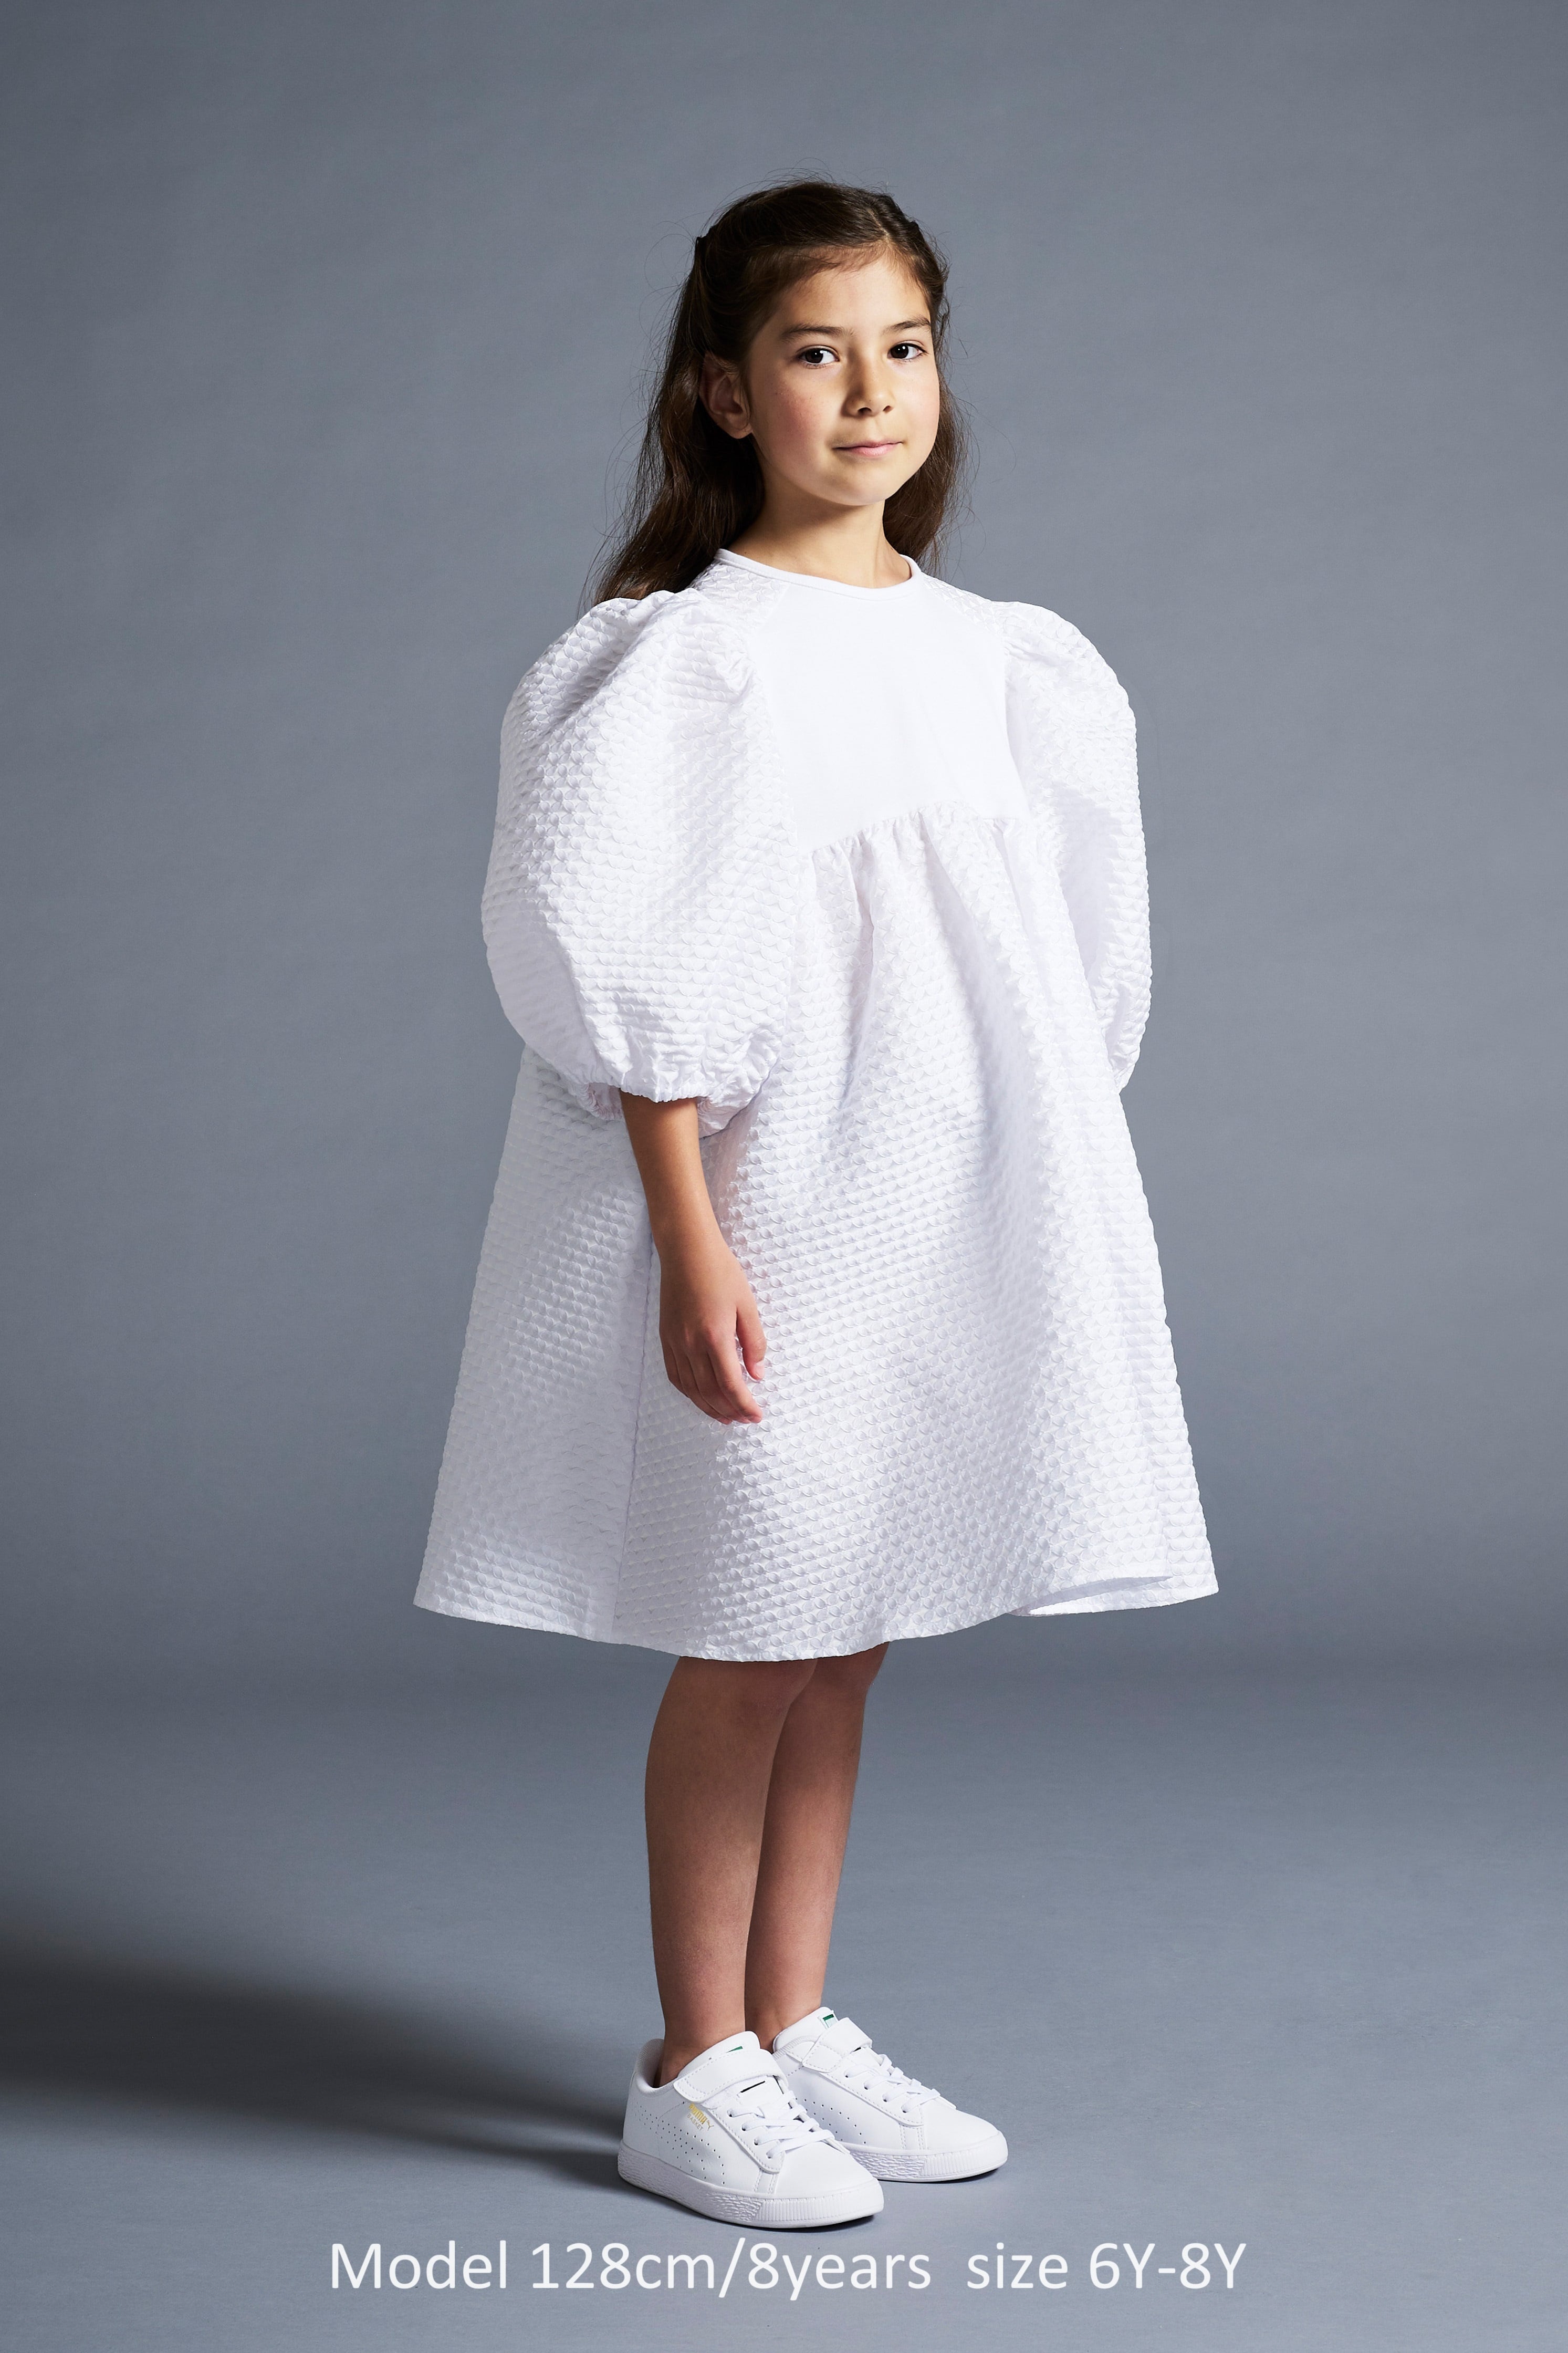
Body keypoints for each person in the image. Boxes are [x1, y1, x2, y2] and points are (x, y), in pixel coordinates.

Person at [415, 179, 1217, 2228]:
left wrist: (1035, 1171)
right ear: (723, 391)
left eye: (904, 349)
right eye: (815, 352)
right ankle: (692, 2067)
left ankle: (790, 2023)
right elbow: (630, 960)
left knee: (851, 1628)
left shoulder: (1005, 661)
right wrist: (690, 1238)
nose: (871, 394)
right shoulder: (688, 664)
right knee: (756, 1624)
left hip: (932, 1190)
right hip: (774, 1197)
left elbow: (1054, 961)